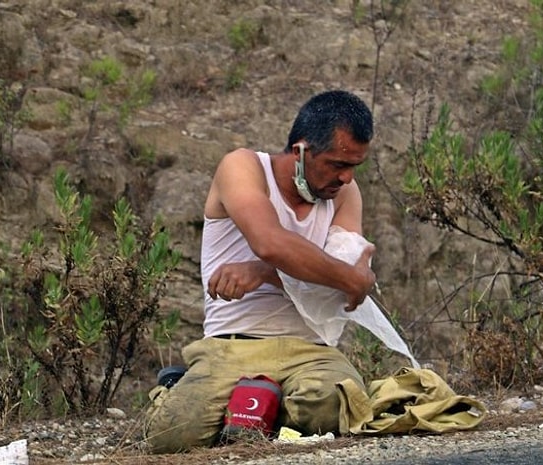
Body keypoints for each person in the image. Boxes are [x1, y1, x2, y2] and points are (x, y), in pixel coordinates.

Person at [144, 90, 377, 453]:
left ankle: (251, 412)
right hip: (233, 343)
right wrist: (351, 279)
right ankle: (193, 392)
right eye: (336, 164)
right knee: (171, 436)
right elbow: (270, 241)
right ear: (300, 151)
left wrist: (267, 273)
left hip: (310, 349)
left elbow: (339, 291)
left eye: (354, 168)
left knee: (335, 405)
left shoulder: (345, 194)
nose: (346, 178)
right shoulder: (243, 167)